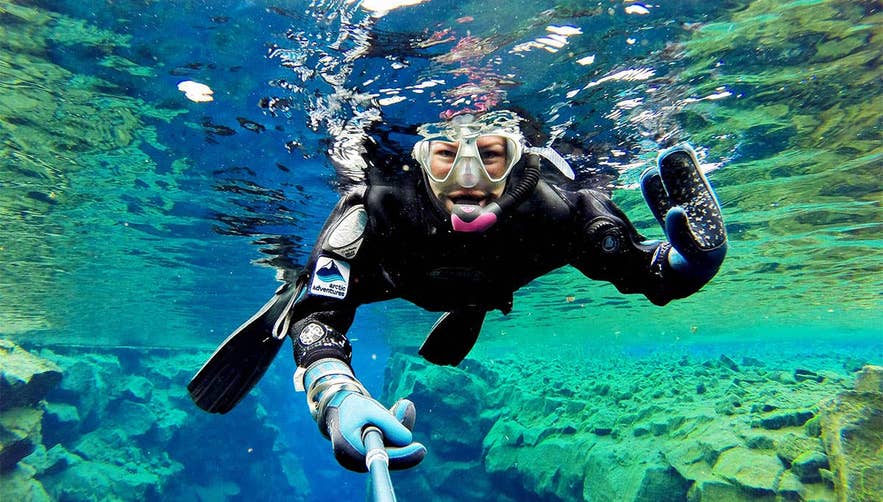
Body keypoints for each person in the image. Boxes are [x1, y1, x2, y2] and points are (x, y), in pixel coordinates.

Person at [188, 109, 727, 474]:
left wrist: (684, 267)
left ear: (519, 158)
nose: (468, 179)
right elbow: (320, 320)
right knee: (314, 290)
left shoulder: (557, 209)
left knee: (473, 292)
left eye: (491, 155)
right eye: (447, 155)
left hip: (481, 289)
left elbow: (642, 268)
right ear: (420, 158)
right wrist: (336, 395)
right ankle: (293, 279)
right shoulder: (376, 206)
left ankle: (471, 304)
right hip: (387, 277)